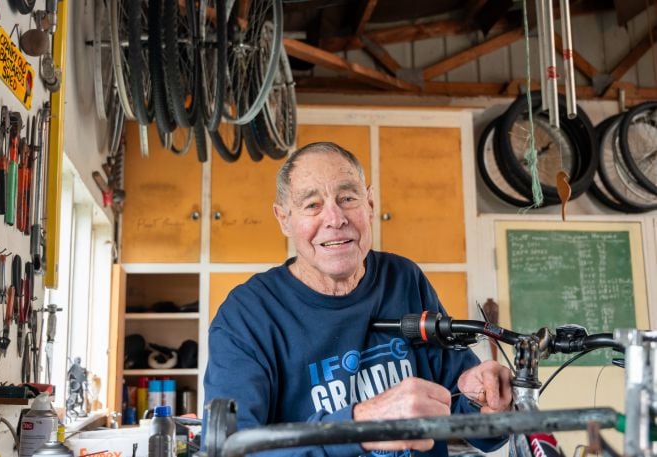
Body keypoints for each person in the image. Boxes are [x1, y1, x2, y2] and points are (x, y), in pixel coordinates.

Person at [202, 142, 512, 456]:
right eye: (312, 205)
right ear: (284, 219)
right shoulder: (246, 315)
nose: (335, 219)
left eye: (347, 198)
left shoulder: (403, 279)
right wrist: (358, 426)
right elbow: (230, 450)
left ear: (371, 203)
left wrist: (483, 400)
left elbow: (470, 420)